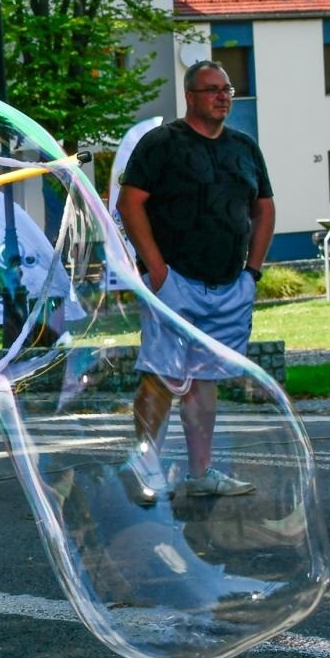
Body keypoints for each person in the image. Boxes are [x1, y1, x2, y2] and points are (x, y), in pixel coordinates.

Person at [117, 61, 273, 504]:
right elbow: (131, 205)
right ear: (191, 95)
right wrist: (157, 270)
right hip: (175, 279)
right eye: (212, 90)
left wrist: (252, 271)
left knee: (204, 377)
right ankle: (145, 466)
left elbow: (264, 207)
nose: (223, 97)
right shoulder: (162, 144)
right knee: (163, 372)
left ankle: (200, 473)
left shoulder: (244, 147)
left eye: (228, 89)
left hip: (228, 283)